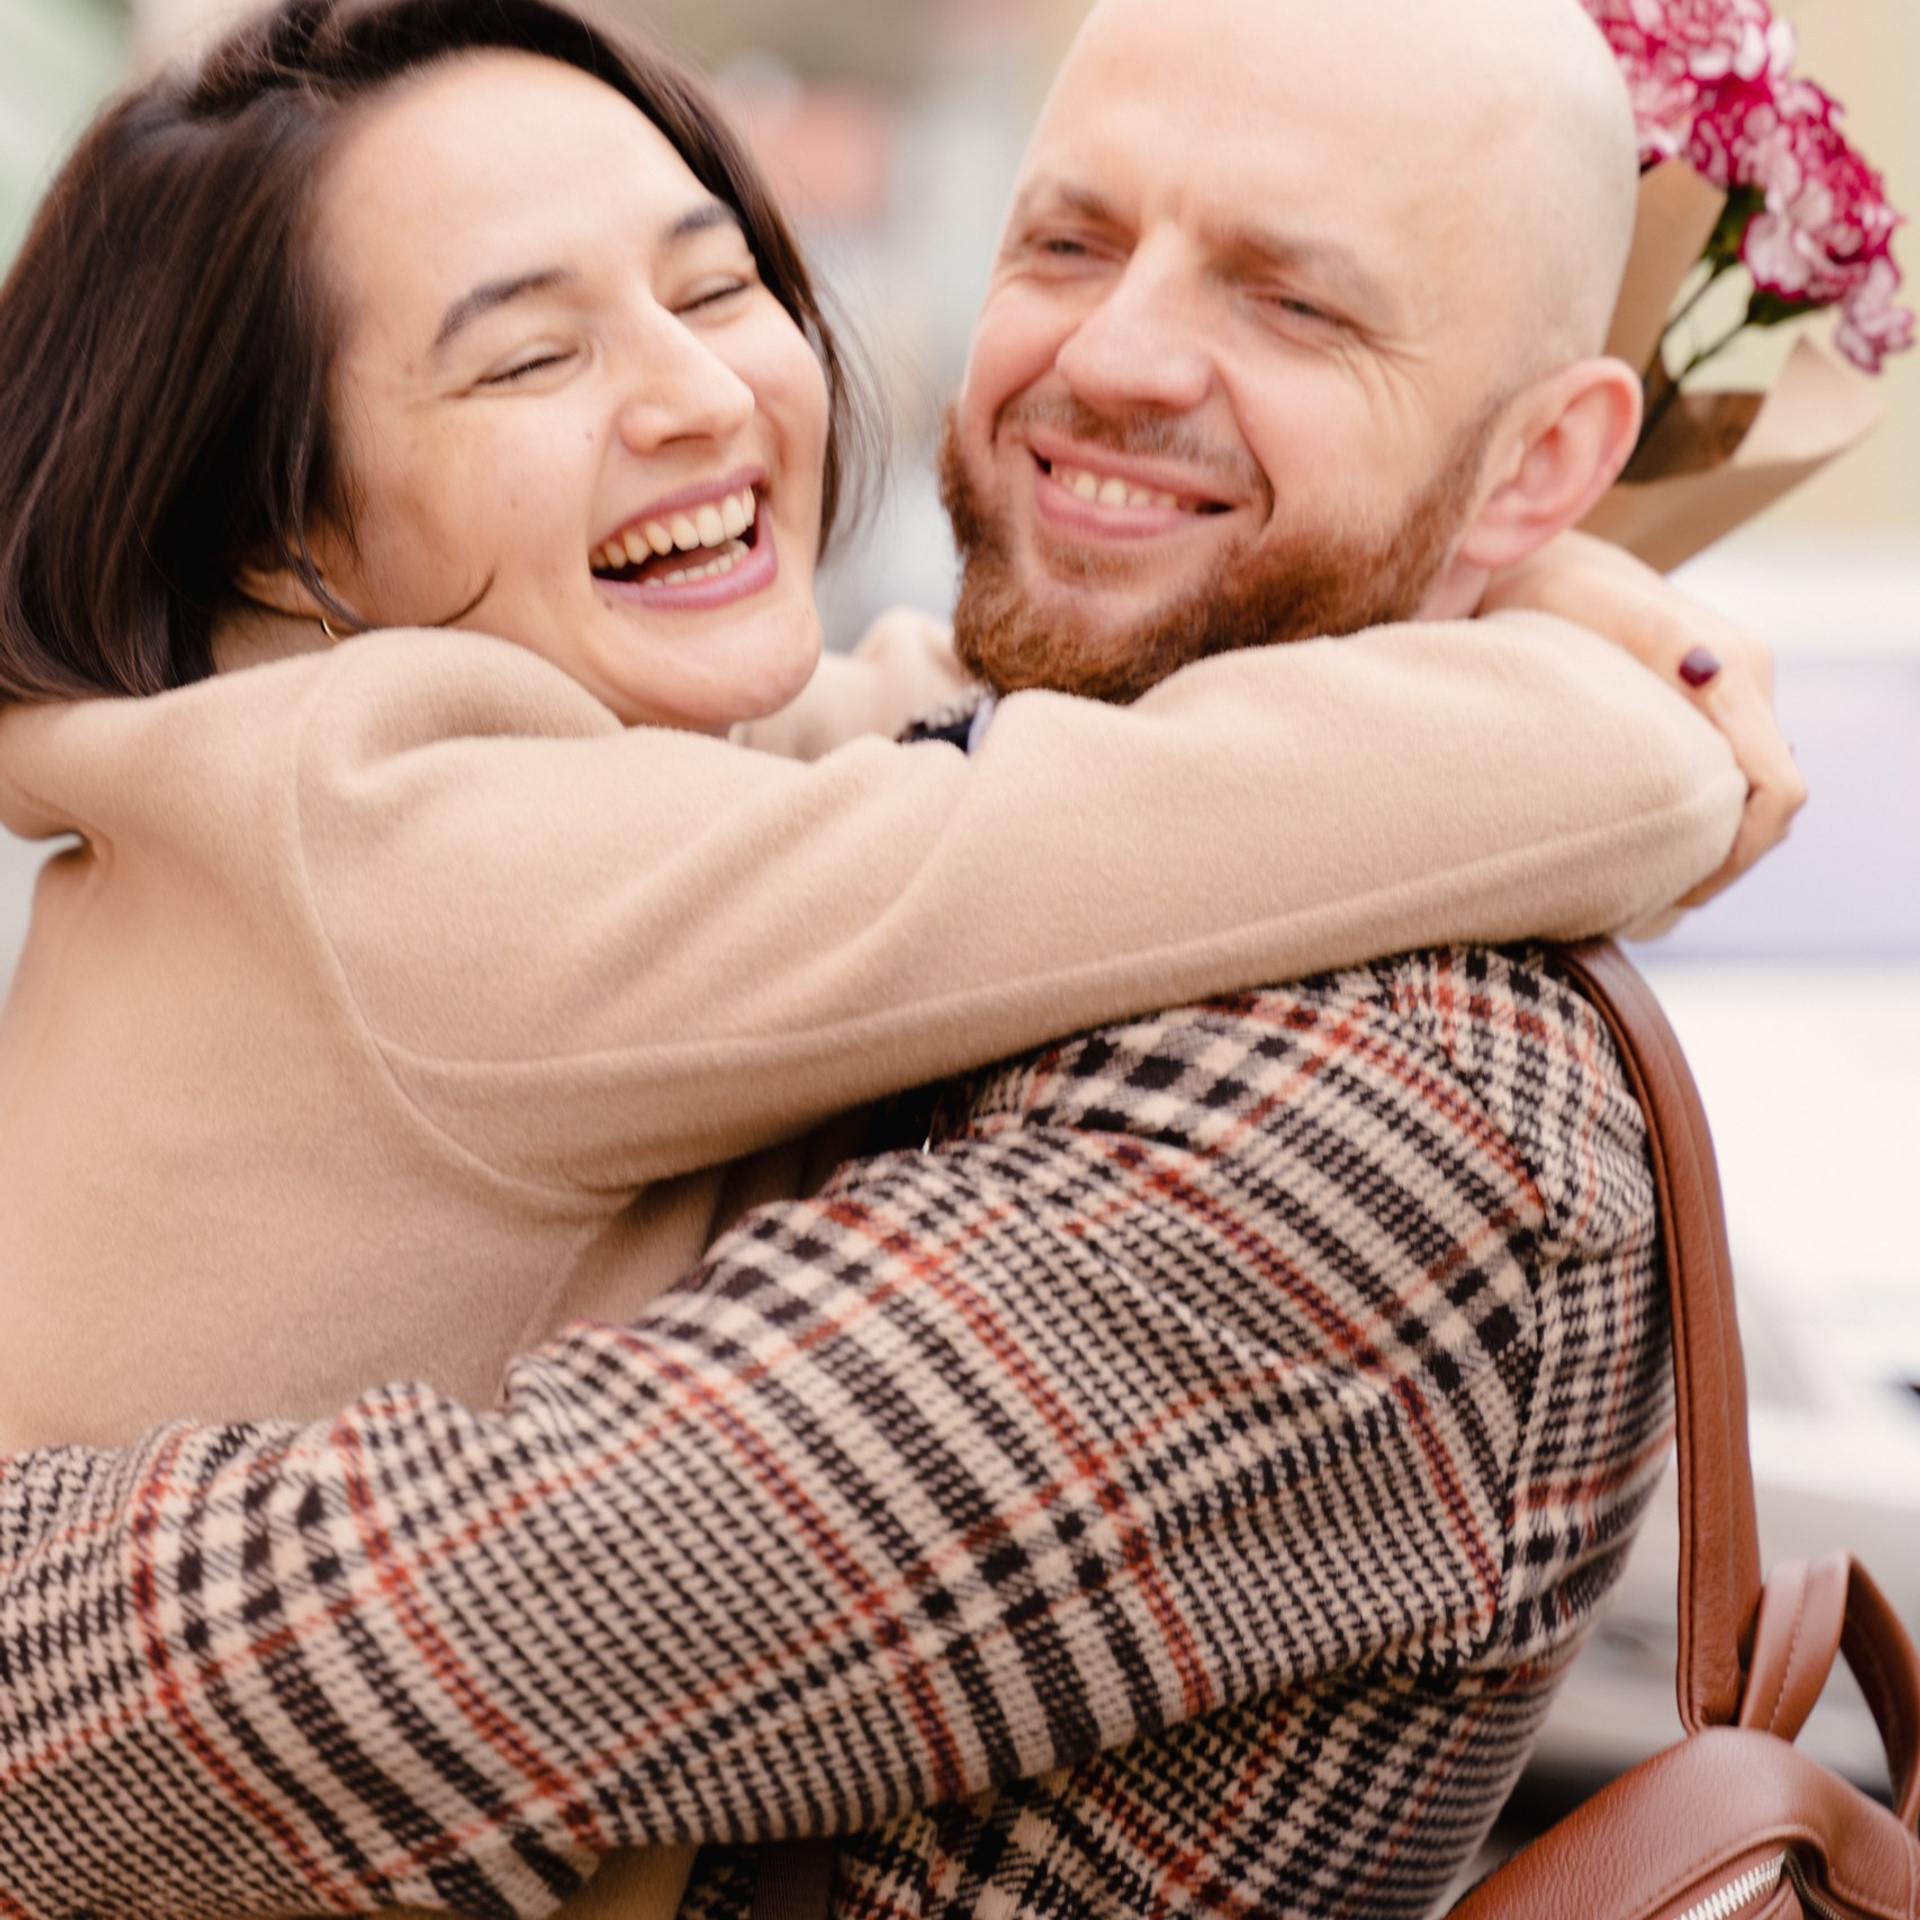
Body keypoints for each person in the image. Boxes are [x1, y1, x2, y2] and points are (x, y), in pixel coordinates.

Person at [0, 0, 1801, 1914]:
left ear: (1545, 459)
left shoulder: (1394, 1100)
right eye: (1064, 243)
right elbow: (1006, 817)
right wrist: (1605, 698)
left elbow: (915, 742)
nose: (697, 395)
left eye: (717, 283)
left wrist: (1542, 581)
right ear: (282, 526)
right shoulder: (403, 856)